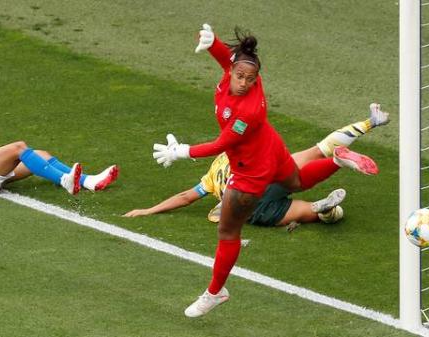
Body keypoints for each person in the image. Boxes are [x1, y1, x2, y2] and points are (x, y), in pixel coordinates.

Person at [151, 24, 380, 317]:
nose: (245, 82)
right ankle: (337, 160)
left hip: (250, 171)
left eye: (251, 79)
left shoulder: (249, 111)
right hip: (272, 148)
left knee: (228, 231)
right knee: (296, 182)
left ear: (256, 79)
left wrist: (181, 151)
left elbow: (222, 142)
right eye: (241, 76)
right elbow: (228, 61)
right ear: (234, 72)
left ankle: (215, 291)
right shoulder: (232, 76)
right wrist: (213, 45)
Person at [128, 105, 389, 229]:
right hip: (269, 168)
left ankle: (326, 209)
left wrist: (149, 210)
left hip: (254, 204)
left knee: (308, 212)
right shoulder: (234, 152)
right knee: (318, 149)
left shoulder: (209, 180)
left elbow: (185, 198)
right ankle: (369, 122)